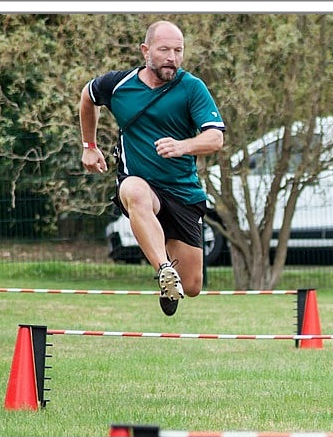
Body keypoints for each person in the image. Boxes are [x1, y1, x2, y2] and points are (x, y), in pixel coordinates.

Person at [79, 20, 225, 316]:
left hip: (182, 191)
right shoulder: (118, 85)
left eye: (178, 50)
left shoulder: (192, 88)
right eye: (165, 50)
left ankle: (172, 279)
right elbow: (87, 96)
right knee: (132, 189)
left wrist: (183, 146)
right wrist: (89, 146)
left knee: (193, 285)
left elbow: (215, 137)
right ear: (146, 51)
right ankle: (163, 270)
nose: (172, 57)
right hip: (142, 185)